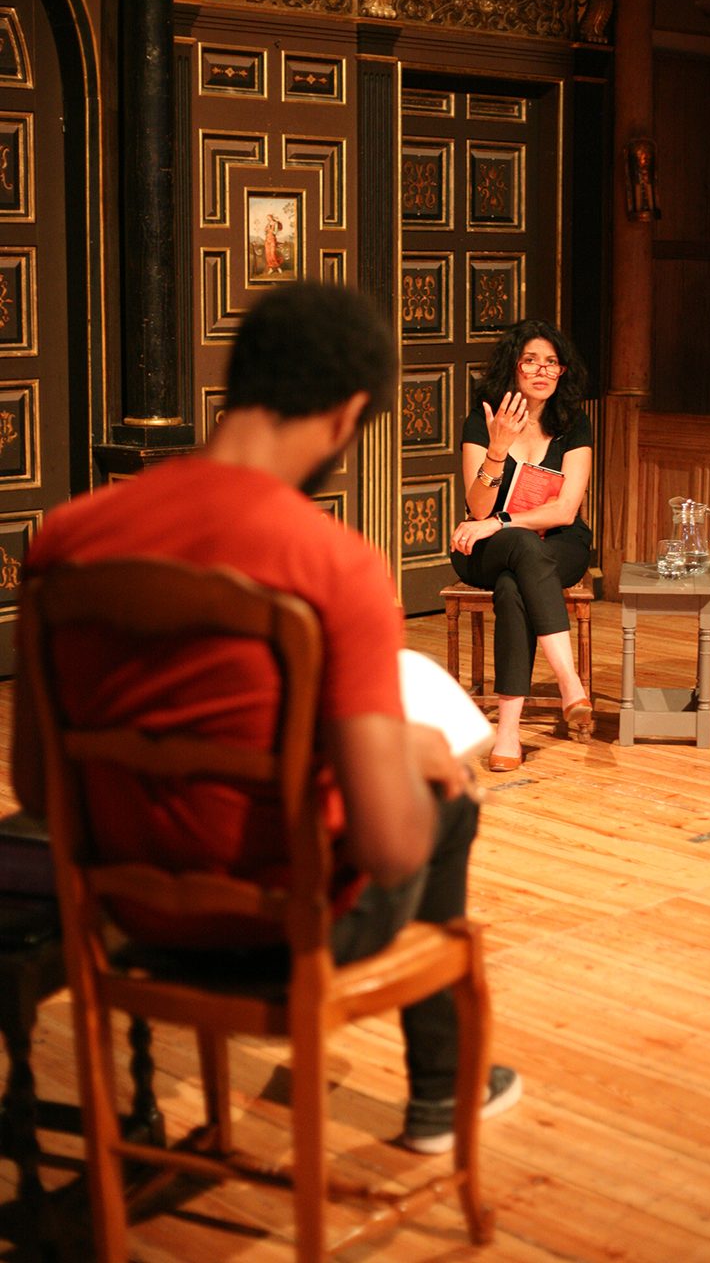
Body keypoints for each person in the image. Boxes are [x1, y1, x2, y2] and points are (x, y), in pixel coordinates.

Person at [12, 281, 521, 1156]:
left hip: (125, 915)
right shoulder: (330, 564)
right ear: (347, 413)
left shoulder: (65, 538)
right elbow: (393, 847)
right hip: (280, 931)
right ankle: (440, 1093)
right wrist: (409, 757)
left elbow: (33, 785)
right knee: (449, 801)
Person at [450, 318, 593, 771]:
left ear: (562, 372)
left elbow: (566, 510)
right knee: (519, 552)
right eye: (531, 360)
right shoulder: (484, 419)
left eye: (552, 363)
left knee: (516, 582)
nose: (542, 370)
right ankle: (570, 682)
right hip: (485, 545)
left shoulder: (573, 424)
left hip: (556, 542)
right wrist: (498, 448)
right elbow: (476, 508)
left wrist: (502, 522)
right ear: (513, 368)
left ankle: (507, 732)